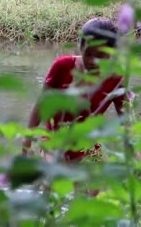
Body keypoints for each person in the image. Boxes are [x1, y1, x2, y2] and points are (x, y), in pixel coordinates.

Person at [22, 18, 128, 163]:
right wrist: (27, 140)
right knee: (57, 179)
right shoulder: (62, 66)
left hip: (88, 147)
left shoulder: (117, 79)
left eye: (100, 56)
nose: (92, 61)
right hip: (54, 142)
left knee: (94, 184)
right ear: (80, 47)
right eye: (88, 53)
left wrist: (138, 159)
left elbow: (127, 121)